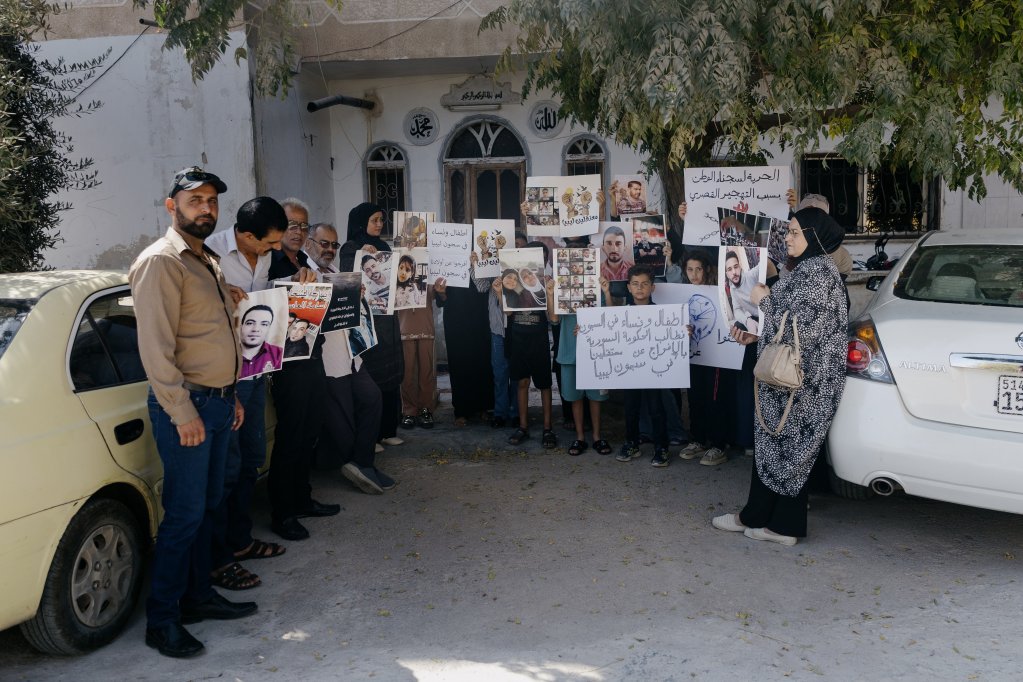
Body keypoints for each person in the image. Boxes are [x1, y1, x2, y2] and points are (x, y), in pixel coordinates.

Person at [129, 166, 255, 658]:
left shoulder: (206, 259)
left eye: (211, 200)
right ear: (171, 206)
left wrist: (233, 393)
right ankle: (162, 620)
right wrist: (183, 413)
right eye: (195, 199)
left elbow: (209, 332)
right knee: (183, 515)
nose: (206, 207)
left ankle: (198, 596)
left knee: (206, 509)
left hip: (219, 401)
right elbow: (156, 350)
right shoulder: (162, 262)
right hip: (189, 406)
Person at [713, 207, 848, 546]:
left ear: (814, 236)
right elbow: (791, 326)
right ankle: (756, 514)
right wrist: (756, 333)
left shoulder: (818, 273)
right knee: (773, 445)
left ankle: (785, 527)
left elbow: (804, 328)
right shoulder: (807, 269)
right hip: (788, 380)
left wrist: (765, 300)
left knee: (791, 449)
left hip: (805, 385)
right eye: (788, 231)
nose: (787, 238)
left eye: (795, 232)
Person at [205, 196, 306, 593]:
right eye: (267, 245)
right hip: (221, 377)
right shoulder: (210, 253)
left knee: (250, 459)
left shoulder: (263, 257)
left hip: (254, 369)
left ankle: (241, 539)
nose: (273, 251)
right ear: (246, 236)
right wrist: (219, 295)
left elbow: (267, 304)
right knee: (226, 470)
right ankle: (221, 555)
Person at [266, 220, 344, 542]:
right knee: (290, 437)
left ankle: (302, 498)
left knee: (309, 432)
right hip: (288, 366)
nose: (296, 232)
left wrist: (346, 296)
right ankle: (282, 513)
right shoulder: (273, 263)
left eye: (301, 225)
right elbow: (267, 299)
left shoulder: (307, 263)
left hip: (313, 358)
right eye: (290, 225)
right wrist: (291, 283)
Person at [340, 203, 405, 449]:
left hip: (387, 321)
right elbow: (347, 280)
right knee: (372, 377)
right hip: (365, 322)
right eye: (374, 220)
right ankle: (371, 435)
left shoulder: (385, 247)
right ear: (360, 223)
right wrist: (361, 256)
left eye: (381, 220)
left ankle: (388, 430)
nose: (379, 224)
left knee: (391, 376)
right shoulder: (350, 248)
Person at [612, 265, 671, 467]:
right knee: (631, 408)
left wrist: (682, 331)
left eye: (645, 284)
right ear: (628, 287)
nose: (640, 288)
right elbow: (607, 336)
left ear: (652, 288)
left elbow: (672, 337)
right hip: (630, 370)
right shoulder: (621, 314)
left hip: (654, 370)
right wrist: (585, 332)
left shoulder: (663, 314)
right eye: (635, 284)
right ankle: (631, 443)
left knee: (656, 408)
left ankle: (661, 448)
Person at [470, 233, 528, 429]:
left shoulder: (519, 273)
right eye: (497, 246)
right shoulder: (492, 271)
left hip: (518, 330)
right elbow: (479, 287)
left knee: (517, 373)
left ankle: (516, 412)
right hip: (497, 331)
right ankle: (500, 412)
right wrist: (475, 265)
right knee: (500, 373)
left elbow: (522, 295)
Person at [550, 276, 612, 456]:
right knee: (575, 397)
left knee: (595, 397)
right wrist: (550, 293)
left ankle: (597, 436)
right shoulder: (562, 291)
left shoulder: (597, 289)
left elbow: (610, 316)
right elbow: (554, 319)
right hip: (570, 353)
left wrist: (607, 292)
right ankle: (580, 437)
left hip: (596, 352)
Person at [501, 267, 557, 448]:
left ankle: (548, 428)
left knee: (544, 385)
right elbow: (508, 313)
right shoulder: (516, 291)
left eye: (530, 274)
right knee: (522, 382)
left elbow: (553, 316)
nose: (527, 277)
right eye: (523, 275)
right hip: (518, 338)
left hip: (538, 340)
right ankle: (523, 427)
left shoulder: (543, 289)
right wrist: (498, 292)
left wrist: (550, 293)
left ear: (535, 274)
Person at [268, 197, 312, 280]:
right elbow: (259, 291)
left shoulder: (303, 259)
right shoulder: (266, 260)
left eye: (304, 226)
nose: (299, 231)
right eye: (292, 225)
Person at [238, 305, 283, 379]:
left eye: (264, 324)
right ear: (241, 327)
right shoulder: (226, 355)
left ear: (269, 329)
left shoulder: (279, 354)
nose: (256, 329)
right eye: (250, 323)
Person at [724, 249, 762, 335]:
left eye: (736, 267)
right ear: (727, 274)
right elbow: (736, 310)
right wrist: (747, 320)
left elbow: (762, 265)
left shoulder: (751, 275)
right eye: (729, 269)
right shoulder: (732, 289)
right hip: (755, 318)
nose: (734, 272)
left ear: (740, 267)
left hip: (768, 315)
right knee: (737, 325)